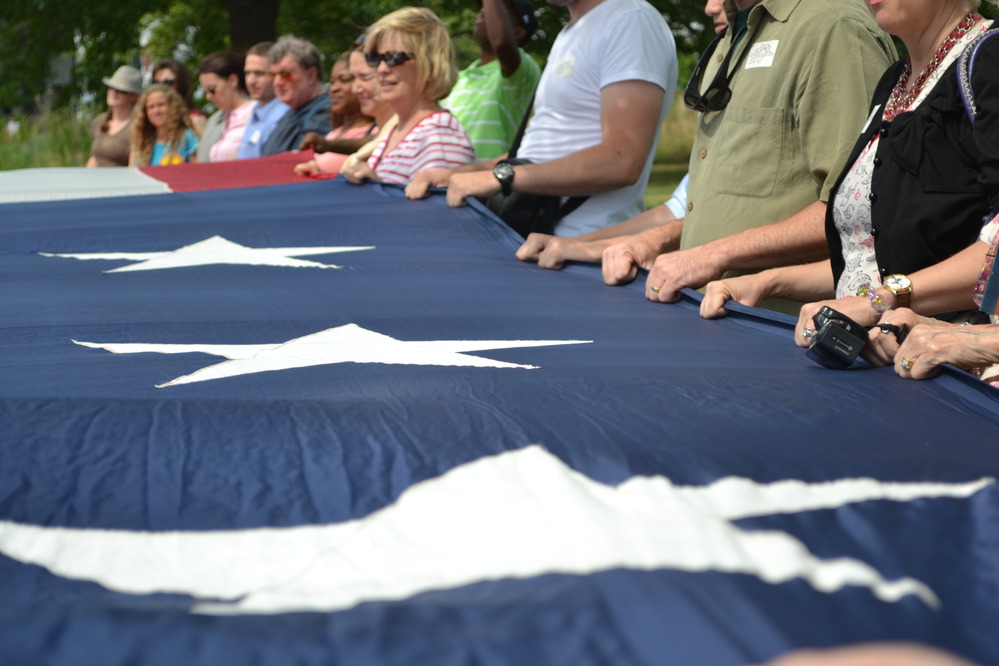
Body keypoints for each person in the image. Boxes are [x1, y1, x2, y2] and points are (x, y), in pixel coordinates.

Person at [699, 0, 999, 344]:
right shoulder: (893, 82)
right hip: (872, 364)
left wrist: (878, 302)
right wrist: (768, 281)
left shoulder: (989, 61)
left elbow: (993, 253)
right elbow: (873, 259)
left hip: (951, 374)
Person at [601, 0, 894, 313]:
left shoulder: (834, 26)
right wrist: (660, 238)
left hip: (783, 333)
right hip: (707, 315)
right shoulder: (736, 29)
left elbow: (862, 210)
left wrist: (714, 255)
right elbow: (746, 202)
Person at [405, 0, 677, 240]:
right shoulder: (573, 31)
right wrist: (458, 174)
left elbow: (622, 161)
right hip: (537, 237)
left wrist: (502, 177)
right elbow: (537, 153)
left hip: (583, 245)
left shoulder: (630, 20)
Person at [340, 8, 475, 186]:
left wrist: (376, 187)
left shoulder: (438, 134)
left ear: (431, 65)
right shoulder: (397, 129)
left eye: (395, 57)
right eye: (375, 58)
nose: (381, 69)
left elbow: (438, 211)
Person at [442, 0, 542, 160]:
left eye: (499, 9)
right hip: (442, 181)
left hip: (488, 181)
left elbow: (502, 43)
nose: (483, 11)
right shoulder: (458, 79)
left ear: (517, 33)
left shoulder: (524, 70)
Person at [293, 51, 378, 177]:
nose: (334, 88)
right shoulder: (333, 133)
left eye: (344, 80)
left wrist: (320, 172)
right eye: (332, 82)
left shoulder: (377, 134)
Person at [260, 36, 331, 156]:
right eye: (272, 76)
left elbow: (298, 161)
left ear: (311, 75)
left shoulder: (326, 112)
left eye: (285, 74)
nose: (277, 82)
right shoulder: (290, 113)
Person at [238, 42, 291, 159]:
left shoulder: (285, 114)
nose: (251, 81)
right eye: (247, 73)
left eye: (259, 73)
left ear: (276, 74)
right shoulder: (255, 110)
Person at [196, 52, 253, 162]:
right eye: (205, 91)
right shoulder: (214, 120)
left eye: (212, 89)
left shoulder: (257, 114)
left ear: (232, 81)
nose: (208, 97)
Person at [129, 83, 198, 166]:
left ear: (173, 106)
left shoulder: (187, 137)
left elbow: (197, 171)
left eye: (161, 105)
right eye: (151, 107)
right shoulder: (142, 143)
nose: (156, 111)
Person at [86, 65, 142, 167]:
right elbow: (95, 158)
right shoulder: (100, 120)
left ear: (135, 96)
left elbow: (133, 168)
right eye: (111, 87)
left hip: (119, 182)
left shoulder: (138, 125)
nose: (114, 92)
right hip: (94, 180)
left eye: (121, 90)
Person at [151, 58, 207, 136]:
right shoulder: (152, 122)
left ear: (181, 84)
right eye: (156, 83)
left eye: (168, 82)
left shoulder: (195, 119)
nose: (161, 88)